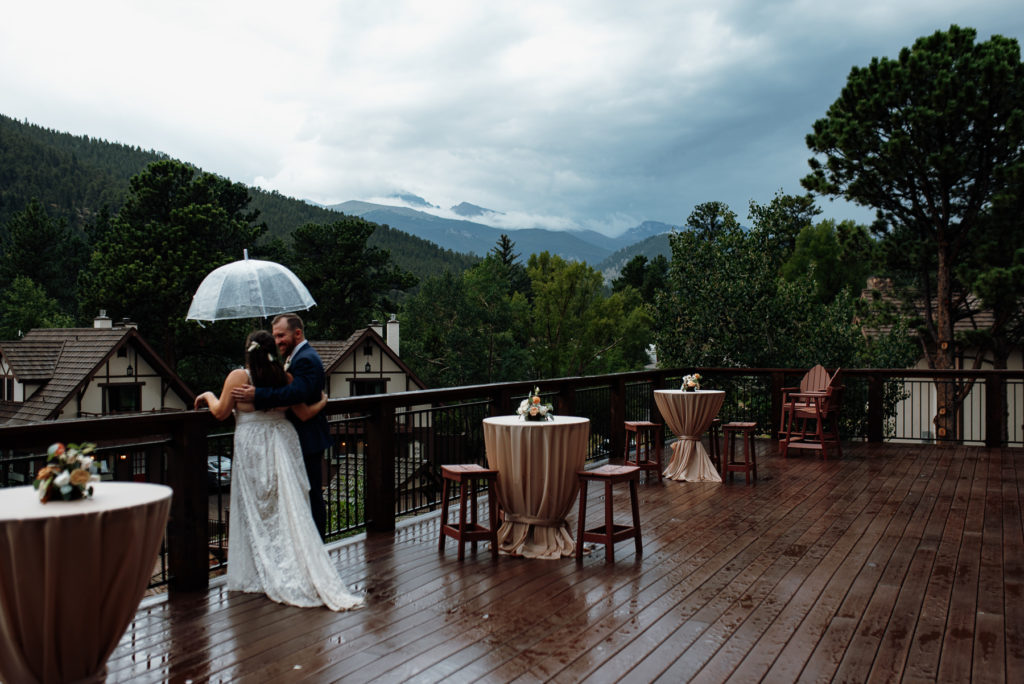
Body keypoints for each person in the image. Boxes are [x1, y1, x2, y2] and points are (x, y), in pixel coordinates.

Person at [194, 330, 362, 611]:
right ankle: (288, 565)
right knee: (285, 505)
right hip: (282, 442)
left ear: (248, 352)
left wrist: (209, 395)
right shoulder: (283, 378)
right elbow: (306, 413)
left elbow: (221, 412)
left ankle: (262, 570)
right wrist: (323, 401)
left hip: (251, 444)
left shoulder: (239, 377)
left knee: (257, 508)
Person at [231, 313, 331, 536]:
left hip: (307, 439)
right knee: (298, 497)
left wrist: (258, 394)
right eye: (274, 337)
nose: (277, 341)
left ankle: (317, 548)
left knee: (311, 495)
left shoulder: (306, 358)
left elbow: (297, 393)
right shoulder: (295, 357)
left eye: (281, 335)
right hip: (293, 438)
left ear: (297, 333)